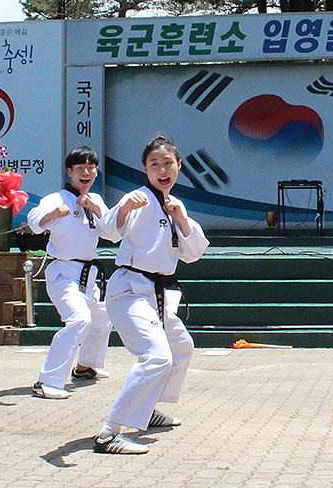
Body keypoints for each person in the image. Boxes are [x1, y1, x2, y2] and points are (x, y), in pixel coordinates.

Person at [94, 134, 209, 455]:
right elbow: (108, 230)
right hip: (130, 290)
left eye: (168, 163)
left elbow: (193, 252)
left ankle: (148, 409)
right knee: (157, 357)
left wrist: (181, 218)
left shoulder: (174, 204)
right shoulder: (138, 198)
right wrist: (123, 208)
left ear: (179, 166)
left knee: (182, 346)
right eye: (154, 164)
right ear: (144, 169)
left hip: (156, 293)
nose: (162, 169)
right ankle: (108, 433)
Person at [28, 146, 115, 400]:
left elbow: (112, 233)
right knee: (79, 319)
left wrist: (98, 210)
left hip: (89, 274)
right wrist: (53, 214)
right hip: (63, 272)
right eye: (80, 169)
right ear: (69, 172)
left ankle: (86, 366)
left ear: (96, 171)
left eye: (90, 168)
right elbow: (34, 222)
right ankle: (47, 381)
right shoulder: (56, 199)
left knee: (102, 318)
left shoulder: (96, 200)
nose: (85, 173)